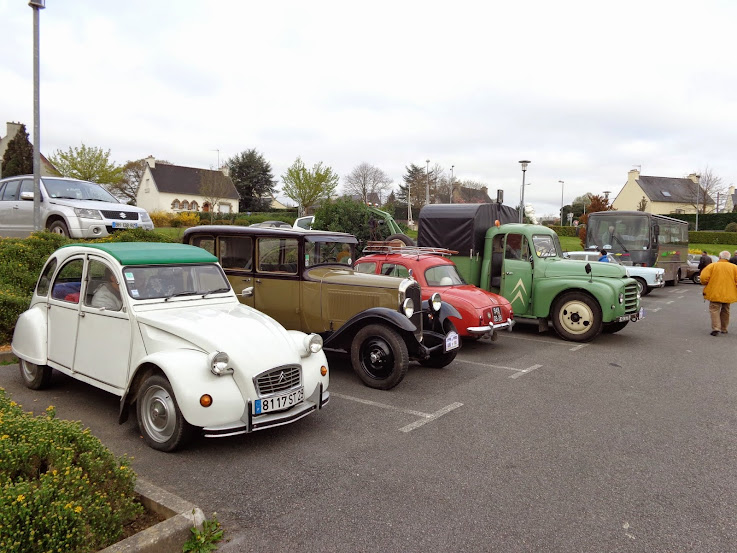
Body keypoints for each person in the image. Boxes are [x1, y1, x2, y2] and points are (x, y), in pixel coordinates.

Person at [699, 250, 737, 336]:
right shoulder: (734, 268)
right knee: (726, 310)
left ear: (719, 257)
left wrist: (706, 283)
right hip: (729, 293)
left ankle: (716, 328)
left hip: (714, 291)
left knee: (714, 309)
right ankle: (724, 328)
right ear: (728, 258)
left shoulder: (712, 266)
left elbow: (703, 278)